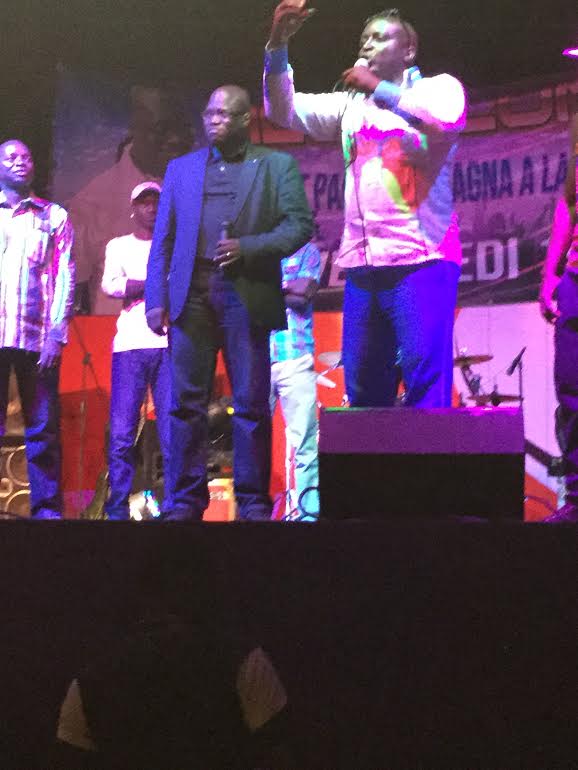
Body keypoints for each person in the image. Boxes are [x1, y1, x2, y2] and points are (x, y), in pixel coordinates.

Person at [264, 5, 467, 407]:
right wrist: (277, 45)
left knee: (425, 385)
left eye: (379, 37)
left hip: (421, 260)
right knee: (363, 392)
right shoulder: (351, 105)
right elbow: (281, 110)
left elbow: (446, 119)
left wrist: (378, 87)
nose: (367, 45)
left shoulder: (437, 89)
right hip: (363, 266)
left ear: (408, 50)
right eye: (364, 40)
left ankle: (429, 451)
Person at [145, 85, 313, 521]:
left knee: (251, 402)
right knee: (186, 403)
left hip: (245, 291)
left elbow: (300, 225)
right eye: (209, 113)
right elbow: (162, 240)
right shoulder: (181, 169)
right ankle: (185, 500)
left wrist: (250, 247)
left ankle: (253, 502)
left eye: (224, 114)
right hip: (191, 293)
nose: (214, 120)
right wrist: (155, 299)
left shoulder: (275, 165)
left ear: (245, 119)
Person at [68, 86, 195, 314]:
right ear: (135, 129)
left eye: (182, 128)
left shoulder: (199, 191)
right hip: (115, 328)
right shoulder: (90, 204)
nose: (175, 139)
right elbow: (76, 289)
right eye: (161, 129)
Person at [0, 139, 75, 519]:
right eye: (11, 157)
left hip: (36, 337)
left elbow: (64, 276)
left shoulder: (53, 216)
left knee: (42, 429)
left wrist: (56, 334)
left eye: (26, 157)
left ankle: (47, 514)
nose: (20, 162)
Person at [101, 181, 172, 520]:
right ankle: (117, 508)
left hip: (167, 344)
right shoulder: (119, 246)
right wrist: (153, 285)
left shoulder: (172, 247)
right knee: (122, 432)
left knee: (171, 429)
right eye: (145, 202)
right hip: (129, 346)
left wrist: (139, 286)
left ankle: (174, 505)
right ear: (134, 208)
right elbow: (110, 284)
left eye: (157, 202)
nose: (151, 208)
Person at [539, 113, 578, 523]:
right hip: (575, 281)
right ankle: (577, 497)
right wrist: (551, 274)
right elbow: (569, 203)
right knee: (571, 390)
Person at [270, 241, 320, 520]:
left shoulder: (307, 252)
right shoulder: (257, 251)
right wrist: (287, 289)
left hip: (296, 355)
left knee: (304, 445)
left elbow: (301, 299)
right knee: (252, 442)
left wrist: (265, 292)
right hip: (257, 357)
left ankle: (309, 517)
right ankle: (251, 515)